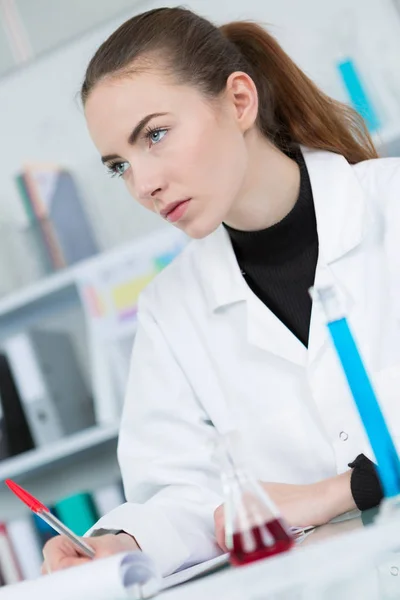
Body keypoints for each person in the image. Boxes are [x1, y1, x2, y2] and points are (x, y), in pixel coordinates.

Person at [43, 6, 400, 576]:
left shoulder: (392, 206)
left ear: (239, 101)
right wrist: (122, 543)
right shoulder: (170, 308)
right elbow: (186, 493)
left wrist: (340, 492)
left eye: (155, 135)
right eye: (119, 166)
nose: (144, 184)